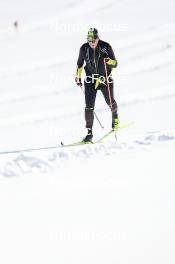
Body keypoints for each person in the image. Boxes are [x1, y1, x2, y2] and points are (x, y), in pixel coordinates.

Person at [75, 28, 119, 142]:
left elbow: (115, 64)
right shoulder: (84, 48)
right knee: (89, 107)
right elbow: (80, 63)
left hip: (105, 79)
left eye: (94, 40)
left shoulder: (106, 46)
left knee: (110, 101)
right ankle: (89, 133)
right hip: (90, 81)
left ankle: (115, 117)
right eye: (89, 40)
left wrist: (108, 60)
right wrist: (78, 76)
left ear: (98, 38)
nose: (92, 42)